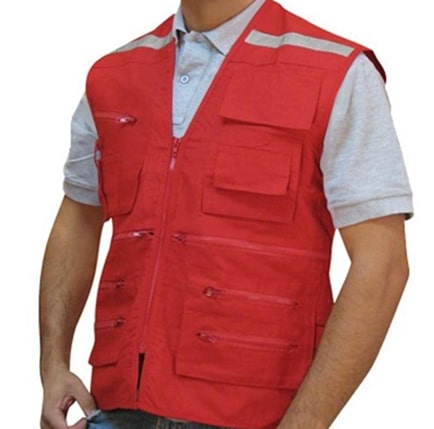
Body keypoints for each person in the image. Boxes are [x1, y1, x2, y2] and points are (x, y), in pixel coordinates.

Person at [39, 0, 413, 428]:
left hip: (256, 415)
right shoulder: (114, 75)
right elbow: (79, 217)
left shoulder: (337, 73)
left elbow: (382, 267)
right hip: (117, 410)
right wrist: (52, 364)